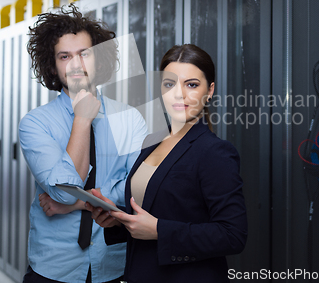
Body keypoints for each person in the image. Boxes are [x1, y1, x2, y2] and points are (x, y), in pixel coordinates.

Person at [87, 44, 248, 283]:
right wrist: (117, 221)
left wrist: (160, 231)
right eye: (169, 84)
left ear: (210, 90)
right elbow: (154, 211)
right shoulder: (152, 141)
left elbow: (233, 235)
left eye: (191, 84)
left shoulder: (215, 152)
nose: (178, 94)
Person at [19, 5, 147, 283]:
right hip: (54, 266)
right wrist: (82, 120)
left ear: (99, 60)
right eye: (65, 56)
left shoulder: (130, 118)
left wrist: (75, 205)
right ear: (52, 65)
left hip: (114, 263)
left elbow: (137, 190)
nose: (76, 64)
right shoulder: (35, 123)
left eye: (84, 54)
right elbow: (63, 192)